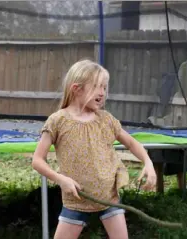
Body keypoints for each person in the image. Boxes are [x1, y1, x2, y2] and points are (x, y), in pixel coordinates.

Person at [32, 59, 157, 239]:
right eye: (97, 86)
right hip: (76, 201)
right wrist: (60, 179)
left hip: (109, 198)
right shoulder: (58, 121)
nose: (102, 92)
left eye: (104, 87)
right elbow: (37, 160)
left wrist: (148, 163)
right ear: (77, 88)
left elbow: (132, 143)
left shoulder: (106, 119)